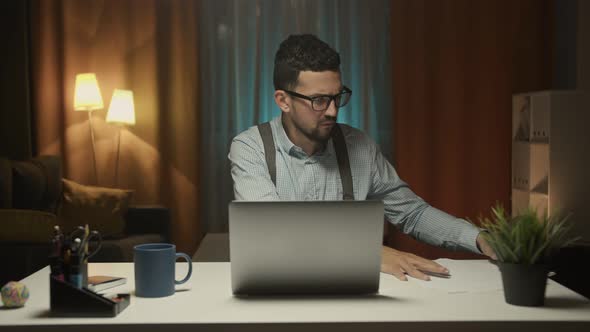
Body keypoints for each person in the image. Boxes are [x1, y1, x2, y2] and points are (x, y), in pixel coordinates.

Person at [229, 34, 495, 281]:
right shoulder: (251, 147)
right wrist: (368, 251)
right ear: (283, 100)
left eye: (337, 97)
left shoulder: (360, 146)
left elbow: (411, 213)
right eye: (319, 100)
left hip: (349, 290)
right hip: (279, 286)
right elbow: (273, 229)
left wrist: (479, 237)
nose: (333, 111)